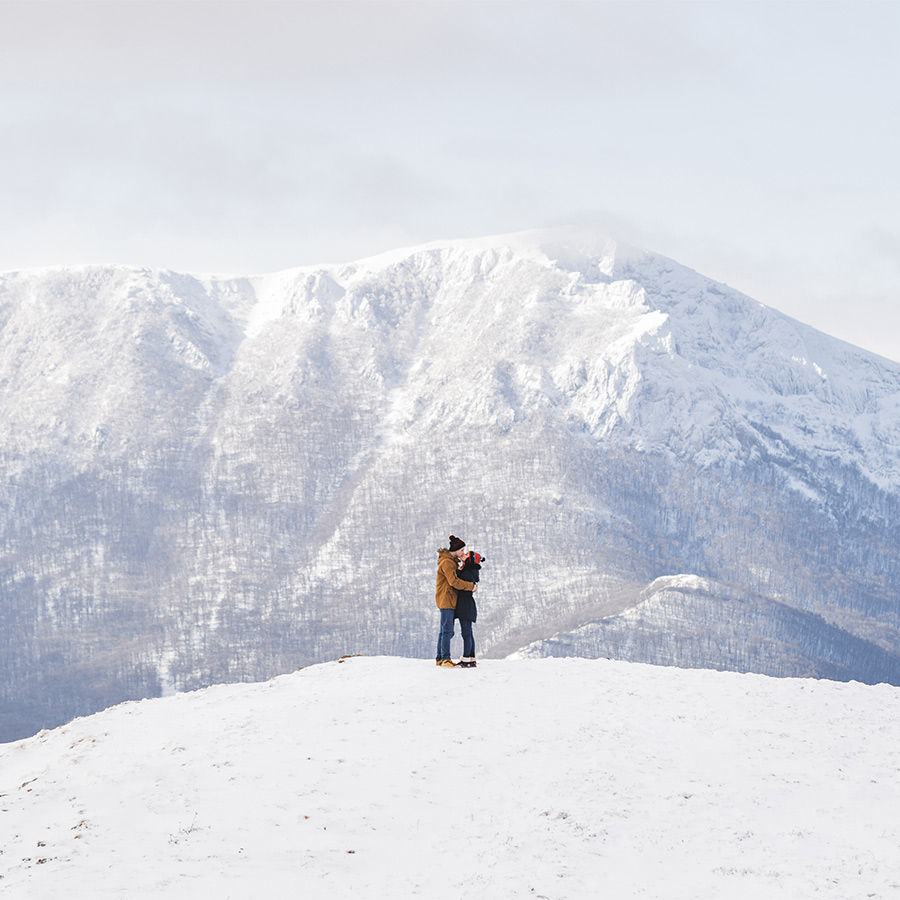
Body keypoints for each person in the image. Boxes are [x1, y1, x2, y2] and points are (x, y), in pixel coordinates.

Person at [434, 535, 476, 667]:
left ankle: (440, 658)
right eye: (462, 550)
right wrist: (471, 586)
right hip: (447, 599)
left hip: (448, 598)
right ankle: (445, 659)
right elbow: (453, 582)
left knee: (444, 630)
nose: (463, 553)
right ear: (455, 550)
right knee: (447, 630)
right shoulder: (447, 563)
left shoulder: (451, 562)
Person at [454, 550, 483, 668]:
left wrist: (457, 572)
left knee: (466, 633)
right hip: (468, 604)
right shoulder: (472, 571)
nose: (463, 555)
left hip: (465, 604)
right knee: (469, 633)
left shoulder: (467, 572)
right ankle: (471, 658)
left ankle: (466, 659)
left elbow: (459, 585)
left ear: (469, 559)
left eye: (466, 554)